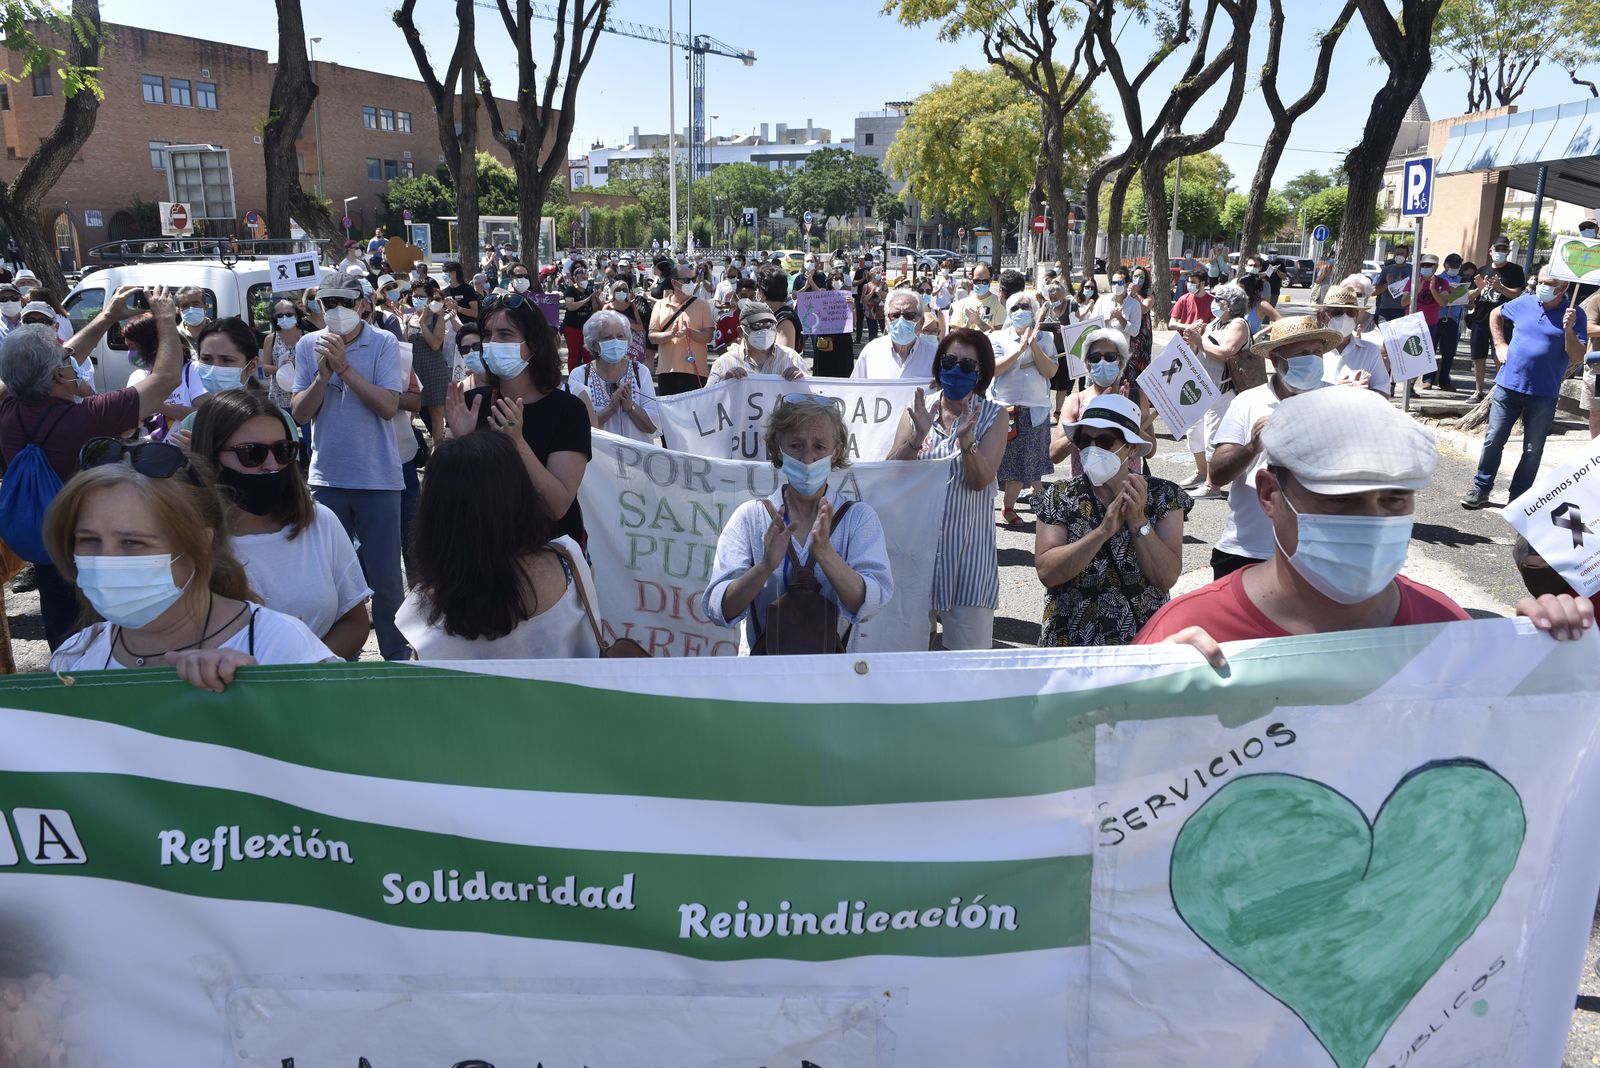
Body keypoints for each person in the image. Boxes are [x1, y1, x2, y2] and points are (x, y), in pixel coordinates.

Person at [1137, 386, 1593, 664]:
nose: (1375, 523)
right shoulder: (1188, 633)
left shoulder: (1445, 629)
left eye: (1395, 499)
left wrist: (1550, 655)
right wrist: (1144, 690)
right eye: (1343, 500)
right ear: (1270, 495)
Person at [43, 440, 337, 689]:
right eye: (89, 540)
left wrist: (259, 693)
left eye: (133, 542)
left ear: (200, 544)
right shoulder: (74, 660)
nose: (105, 560)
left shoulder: (280, 648)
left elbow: (349, 745)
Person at [0, 289, 180, 646]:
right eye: (65, 362)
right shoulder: (88, 418)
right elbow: (166, 379)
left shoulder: (8, 411)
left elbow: (46, 367)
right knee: (108, 639)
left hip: (48, 548)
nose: (72, 362)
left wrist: (106, 317)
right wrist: (165, 319)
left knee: (65, 642)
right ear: (56, 375)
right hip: (97, 551)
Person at [702, 395, 894, 652]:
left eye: (819, 447)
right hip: (762, 675)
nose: (807, 459)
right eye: (795, 445)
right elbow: (718, 608)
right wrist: (764, 567)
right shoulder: (751, 518)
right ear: (778, 449)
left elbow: (871, 603)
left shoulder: (858, 518)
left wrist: (826, 554)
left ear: (836, 450)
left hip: (831, 676)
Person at [190, 389, 371, 659]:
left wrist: (303, 668)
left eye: (283, 451)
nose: (272, 465)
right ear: (211, 456)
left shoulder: (319, 522)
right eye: (253, 453)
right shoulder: (185, 541)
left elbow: (354, 621)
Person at [397, 431, 600, 660]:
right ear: (520, 494)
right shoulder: (570, 562)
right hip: (574, 695)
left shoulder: (423, 612)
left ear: (435, 515)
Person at [290, 276, 410, 661]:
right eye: (328, 303)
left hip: (378, 478)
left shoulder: (384, 342)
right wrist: (322, 377)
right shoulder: (309, 345)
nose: (336, 310)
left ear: (361, 303)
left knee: (386, 580)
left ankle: (394, 659)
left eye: (344, 301)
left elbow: (389, 406)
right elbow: (299, 413)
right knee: (332, 582)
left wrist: (345, 370)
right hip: (328, 478)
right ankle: (340, 660)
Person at [886, 328, 1010, 650]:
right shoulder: (919, 409)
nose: (956, 370)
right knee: (911, 658)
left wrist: (967, 440)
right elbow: (892, 472)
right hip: (915, 557)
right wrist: (916, 438)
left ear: (981, 373)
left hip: (969, 558)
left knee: (967, 668)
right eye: (950, 361)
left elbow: (980, 480)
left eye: (967, 365)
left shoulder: (994, 416)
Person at [1035, 394, 1191, 646]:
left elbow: (1165, 578)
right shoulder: (1060, 495)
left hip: (1140, 640)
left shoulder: (1164, 497)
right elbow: (1047, 572)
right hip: (1070, 639)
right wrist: (1102, 532)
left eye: (1105, 440)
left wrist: (1138, 521)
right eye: (1085, 440)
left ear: (1130, 448)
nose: (1092, 448)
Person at [1205, 315, 1348, 579]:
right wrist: (1252, 446)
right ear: (1276, 360)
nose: (1313, 360)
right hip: (1247, 552)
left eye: (1317, 352)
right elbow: (1216, 475)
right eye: (1302, 354)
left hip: (1317, 554)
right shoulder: (1248, 402)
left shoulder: (1339, 402)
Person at [444, 293, 591, 546]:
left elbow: (556, 507)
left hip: (547, 557)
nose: (492, 343)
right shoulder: (472, 404)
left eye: (505, 334)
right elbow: (447, 491)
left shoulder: (569, 410)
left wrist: (516, 443)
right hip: (486, 550)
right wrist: (463, 442)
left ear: (532, 343)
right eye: (487, 335)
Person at [1461, 267, 1589, 509]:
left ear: (1563, 288)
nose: (1543, 286)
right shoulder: (1525, 302)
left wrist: (1568, 330)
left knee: (1532, 449)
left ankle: (1518, 499)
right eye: (1540, 281)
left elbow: (1578, 356)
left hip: (1544, 392)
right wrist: (1500, 343)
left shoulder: (1575, 314)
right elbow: (1495, 314)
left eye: (1550, 283)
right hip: (1509, 386)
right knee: (1493, 440)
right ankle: (1481, 488)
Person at [990, 291, 1059, 524]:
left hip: (1035, 408)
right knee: (1003, 461)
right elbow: (995, 369)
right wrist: (1019, 350)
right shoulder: (998, 338)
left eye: (1026, 306)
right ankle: (994, 505)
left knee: (1031, 459)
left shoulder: (1046, 338)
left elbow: (1050, 371)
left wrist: (1034, 346)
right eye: (1016, 307)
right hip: (1005, 408)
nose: (1021, 311)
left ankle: (1012, 506)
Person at [1050, 328, 1155, 479]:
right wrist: (1088, 419)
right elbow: (1055, 455)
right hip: (1086, 493)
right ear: (1087, 364)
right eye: (1095, 357)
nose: (1102, 362)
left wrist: (1124, 418)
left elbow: (1151, 450)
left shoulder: (1135, 397)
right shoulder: (1076, 400)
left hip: (1126, 491)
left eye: (1110, 356)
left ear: (1121, 362)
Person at [1178, 282, 1251, 492]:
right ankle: (1201, 473)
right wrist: (1192, 338)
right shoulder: (1214, 323)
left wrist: (1199, 341)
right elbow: (1197, 351)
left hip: (1222, 390)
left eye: (1218, 299)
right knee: (1194, 432)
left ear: (1229, 304)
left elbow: (1226, 352)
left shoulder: (1238, 324)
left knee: (1213, 436)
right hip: (1201, 388)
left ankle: (1213, 484)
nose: (1214, 302)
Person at [568, 307, 659, 441]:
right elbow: (578, 429)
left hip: (635, 459)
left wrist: (630, 406)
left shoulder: (640, 372)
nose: (615, 341)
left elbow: (653, 427)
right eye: (607, 337)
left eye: (620, 336)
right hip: (599, 460)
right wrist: (611, 409)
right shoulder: (580, 376)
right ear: (594, 344)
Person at [1466, 235, 1526, 402]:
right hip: (1480, 319)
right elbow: (1469, 296)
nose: (1500, 252)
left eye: (1503, 249)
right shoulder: (1482, 270)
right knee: (1478, 356)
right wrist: (1479, 289)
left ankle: (1498, 391)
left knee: (1500, 355)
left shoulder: (1515, 270)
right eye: (1497, 249)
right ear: (1490, 251)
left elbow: (1516, 294)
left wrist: (1500, 287)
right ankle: (1478, 391)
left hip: (1503, 320)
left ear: (1507, 251)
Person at [648, 260, 713, 395]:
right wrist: (670, 334)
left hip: (696, 372)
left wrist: (689, 332)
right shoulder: (660, 305)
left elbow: (708, 336)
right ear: (674, 282)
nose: (690, 283)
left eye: (692, 279)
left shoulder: (703, 305)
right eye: (686, 280)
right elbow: (652, 337)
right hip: (667, 371)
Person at [707, 300, 807, 385]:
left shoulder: (792, 359)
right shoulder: (724, 364)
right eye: (757, 325)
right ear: (741, 332)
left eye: (769, 325)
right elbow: (707, 401)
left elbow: (811, 399)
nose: (764, 330)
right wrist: (724, 384)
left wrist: (803, 381)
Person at [1314, 285, 1391, 393]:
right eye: (1337, 312)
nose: (1345, 318)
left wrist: (1364, 393)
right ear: (1322, 316)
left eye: (1350, 313)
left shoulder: (1370, 351)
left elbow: (1383, 390)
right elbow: (1300, 394)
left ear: (1356, 317)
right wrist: (1335, 390)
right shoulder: (1310, 351)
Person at [852, 288, 938, 380]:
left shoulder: (935, 354)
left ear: (921, 322)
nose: (901, 320)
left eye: (909, 316)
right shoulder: (871, 351)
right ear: (886, 322)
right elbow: (855, 389)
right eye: (895, 316)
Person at [401, 278, 449, 439]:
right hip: (414, 371)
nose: (417, 299)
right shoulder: (408, 318)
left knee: (436, 413)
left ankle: (437, 447)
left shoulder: (437, 318)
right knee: (411, 412)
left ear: (429, 299)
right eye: (415, 295)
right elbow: (405, 345)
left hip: (434, 371)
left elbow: (435, 344)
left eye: (421, 296)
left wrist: (422, 323)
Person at [261, 297, 309, 413]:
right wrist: (284, 369)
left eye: (288, 314)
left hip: (304, 395)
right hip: (279, 398)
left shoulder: (307, 337)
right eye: (280, 315)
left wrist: (297, 364)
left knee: (308, 431)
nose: (284, 318)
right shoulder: (270, 339)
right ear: (274, 318)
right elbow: (265, 366)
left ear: (296, 315)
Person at [951, 261, 1003, 331]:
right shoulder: (962, 303)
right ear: (972, 280)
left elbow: (1000, 335)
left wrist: (979, 322)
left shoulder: (999, 304)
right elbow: (953, 333)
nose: (981, 284)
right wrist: (968, 325)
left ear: (990, 280)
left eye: (984, 281)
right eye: (977, 281)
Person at [1092, 267, 1142, 339]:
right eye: (1114, 283)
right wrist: (1109, 318)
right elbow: (1092, 325)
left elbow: (1135, 332)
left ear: (1127, 284)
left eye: (1120, 283)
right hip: (1103, 346)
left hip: (1121, 348)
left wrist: (1120, 318)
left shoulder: (1134, 304)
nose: (1116, 286)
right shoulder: (1102, 300)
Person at [1373, 245, 1412, 323]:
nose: (1399, 255)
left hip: (1405, 310)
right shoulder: (1386, 270)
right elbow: (1375, 291)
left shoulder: (1412, 270)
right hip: (1386, 309)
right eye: (1397, 253)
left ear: (1407, 255)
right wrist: (1388, 284)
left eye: (1402, 253)